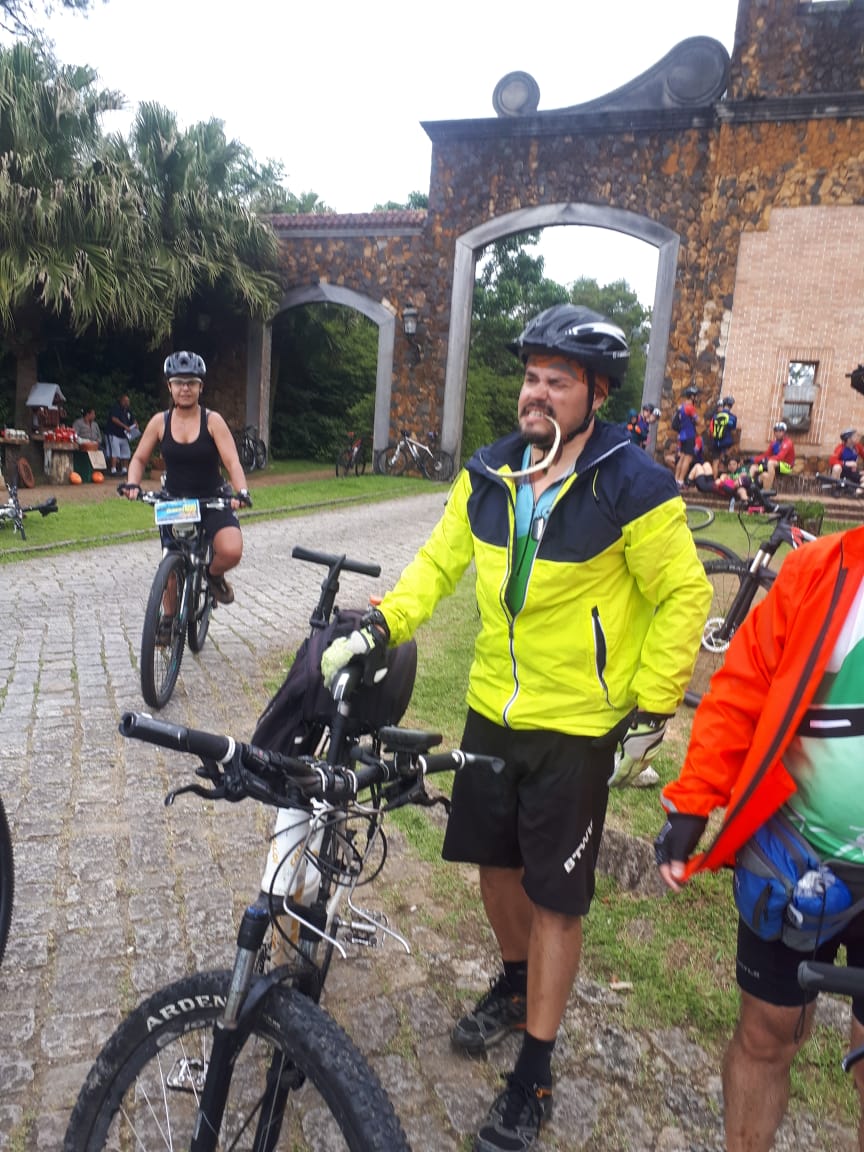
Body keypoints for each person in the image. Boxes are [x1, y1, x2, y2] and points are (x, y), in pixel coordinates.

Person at [320, 304, 712, 1152]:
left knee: (555, 895)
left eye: (558, 381)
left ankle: (535, 1067)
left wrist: (649, 700)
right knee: (494, 869)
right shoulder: (494, 471)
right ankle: (512, 981)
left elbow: (685, 594)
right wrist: (380, 625)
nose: (538, 393)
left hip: (577, 725)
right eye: (532, 377)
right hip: (492, 710)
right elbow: (437, 564)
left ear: (595, 393)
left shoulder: (630, 479)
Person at [654, 521, 864, 1152]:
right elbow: (740, 692)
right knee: (768, 1031)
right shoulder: (817, 573)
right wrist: (693, 803)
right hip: (798, 857)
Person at [123, 352, 250, 606]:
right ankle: (168, 621)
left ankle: (212, 576)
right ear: (169, 386)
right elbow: (138, 459)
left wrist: (241, 492)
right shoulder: (160, 422)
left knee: (231, 550)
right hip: (175, 501)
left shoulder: (212, 421)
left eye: (191, 382)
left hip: (212, 498)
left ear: (200, 387)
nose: (185, 388)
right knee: (170, 561)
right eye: (179, 382)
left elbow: (232, 461)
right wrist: (133, 484)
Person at [750, 421, 795, 490]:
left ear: (784, 432)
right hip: (775, 465)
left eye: (780, 431)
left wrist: (767, 460)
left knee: (770, 463)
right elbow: (766, 454)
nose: (777, 433)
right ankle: (749, 486)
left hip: (787, 466)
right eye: (776, 431)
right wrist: (755, 459)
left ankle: (767, 491)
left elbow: (780, 457)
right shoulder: (773, 443)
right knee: (754, 467)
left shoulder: (788, 443)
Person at [673, 385, 700, 489]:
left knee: (682, 457)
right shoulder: (690, 407)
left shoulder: (682, 406)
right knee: (687, 459)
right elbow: (698, 421)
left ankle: (676, 479)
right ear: (692, 396)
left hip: (682, 435)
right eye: (696, 396)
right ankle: (680, 480)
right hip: (689, 435)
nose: (697, 398)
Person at [705, 395, 738, 476]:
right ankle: (726, 479)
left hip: (716, 442)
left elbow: (711, 429)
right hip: (726, 442)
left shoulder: (716, 416)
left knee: (715, 462)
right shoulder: (733, 417)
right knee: (726, 460)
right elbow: (733, 430)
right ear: (731, 406)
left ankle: (714, 481)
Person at [106, 393, 138, 476]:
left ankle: (124, 469)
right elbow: (114, 419)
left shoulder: (128, 411)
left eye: (128, 401)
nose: (127, 403)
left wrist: (135, 424)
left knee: (126, 452)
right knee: (115, 452)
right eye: (125, 401)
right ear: (121, 401)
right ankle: (113, 469)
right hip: (114, 434)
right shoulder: (116, 408)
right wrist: (124, 426)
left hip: (124, 435)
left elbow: (133, 419)